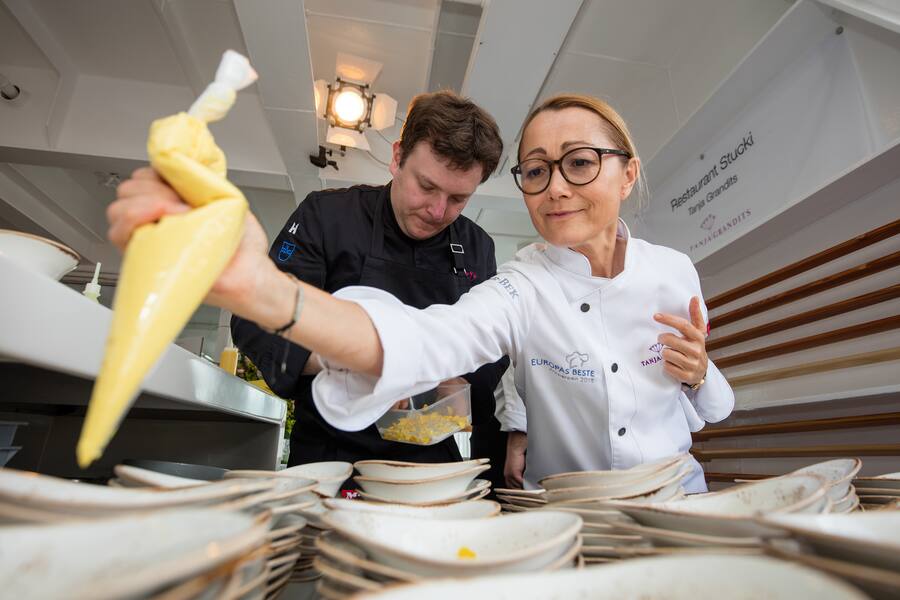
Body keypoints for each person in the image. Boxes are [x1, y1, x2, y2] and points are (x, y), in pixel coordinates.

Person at [108, 93, 734, 493]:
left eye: (580, 163)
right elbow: (434, 339)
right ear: (396, 158)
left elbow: (502, 374)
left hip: (455, 464)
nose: (438, 211)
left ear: (628, 174)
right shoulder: (516, 280)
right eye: (538, 170)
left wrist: (509, 437)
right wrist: (268, 294)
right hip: (344, 452)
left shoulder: (672, 272)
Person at [228, 91, 510, 483]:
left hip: (428, 462)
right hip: (329, 456)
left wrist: (453, 383)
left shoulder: (477, 246)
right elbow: (255, 321)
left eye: (458, 198)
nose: (437, 210)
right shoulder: (327, 216)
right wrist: (351, 361)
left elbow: (490, 357)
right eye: (426, 186)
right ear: (397, 157)